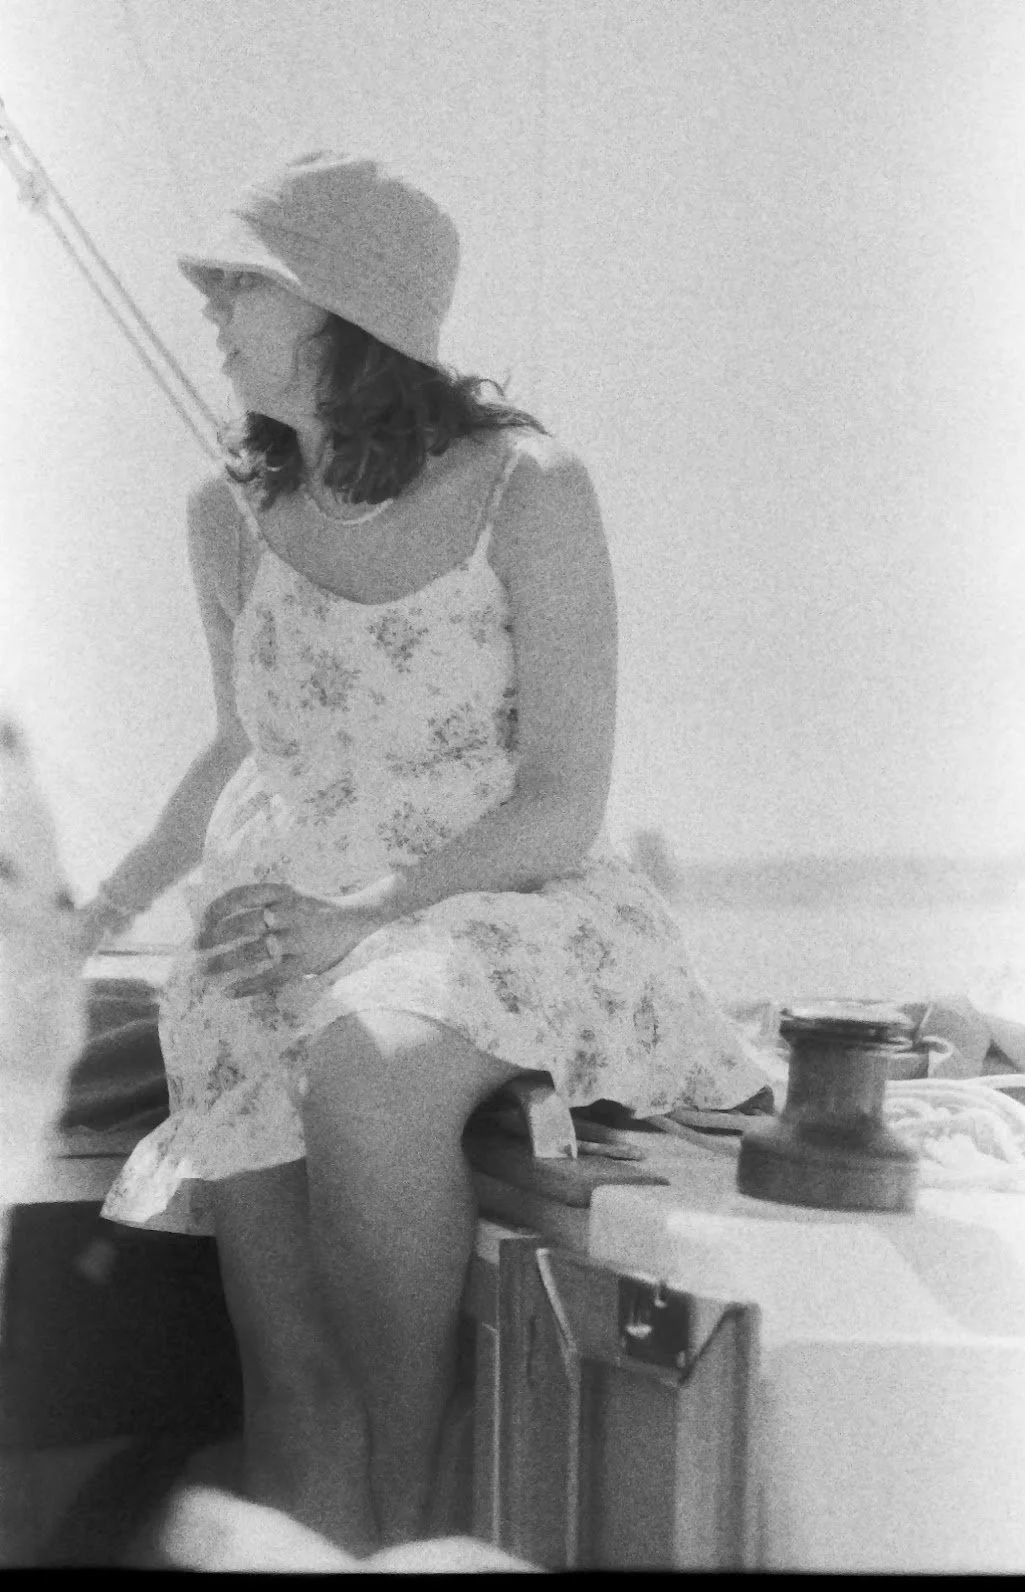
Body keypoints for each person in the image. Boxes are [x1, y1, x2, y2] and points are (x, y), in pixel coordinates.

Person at [75, 152, 770, 1553]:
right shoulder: (224, 515)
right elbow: (235, 751)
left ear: (346, 309)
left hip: (502, 894)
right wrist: (95, 915)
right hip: (281, 922)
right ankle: (329, 1533)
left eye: (240, 285)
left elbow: (564, 799)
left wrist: (363, 919)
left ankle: (408, 1524)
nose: (209, 308)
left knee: (370, 1051)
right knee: (288, 1378)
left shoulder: (529, 490)